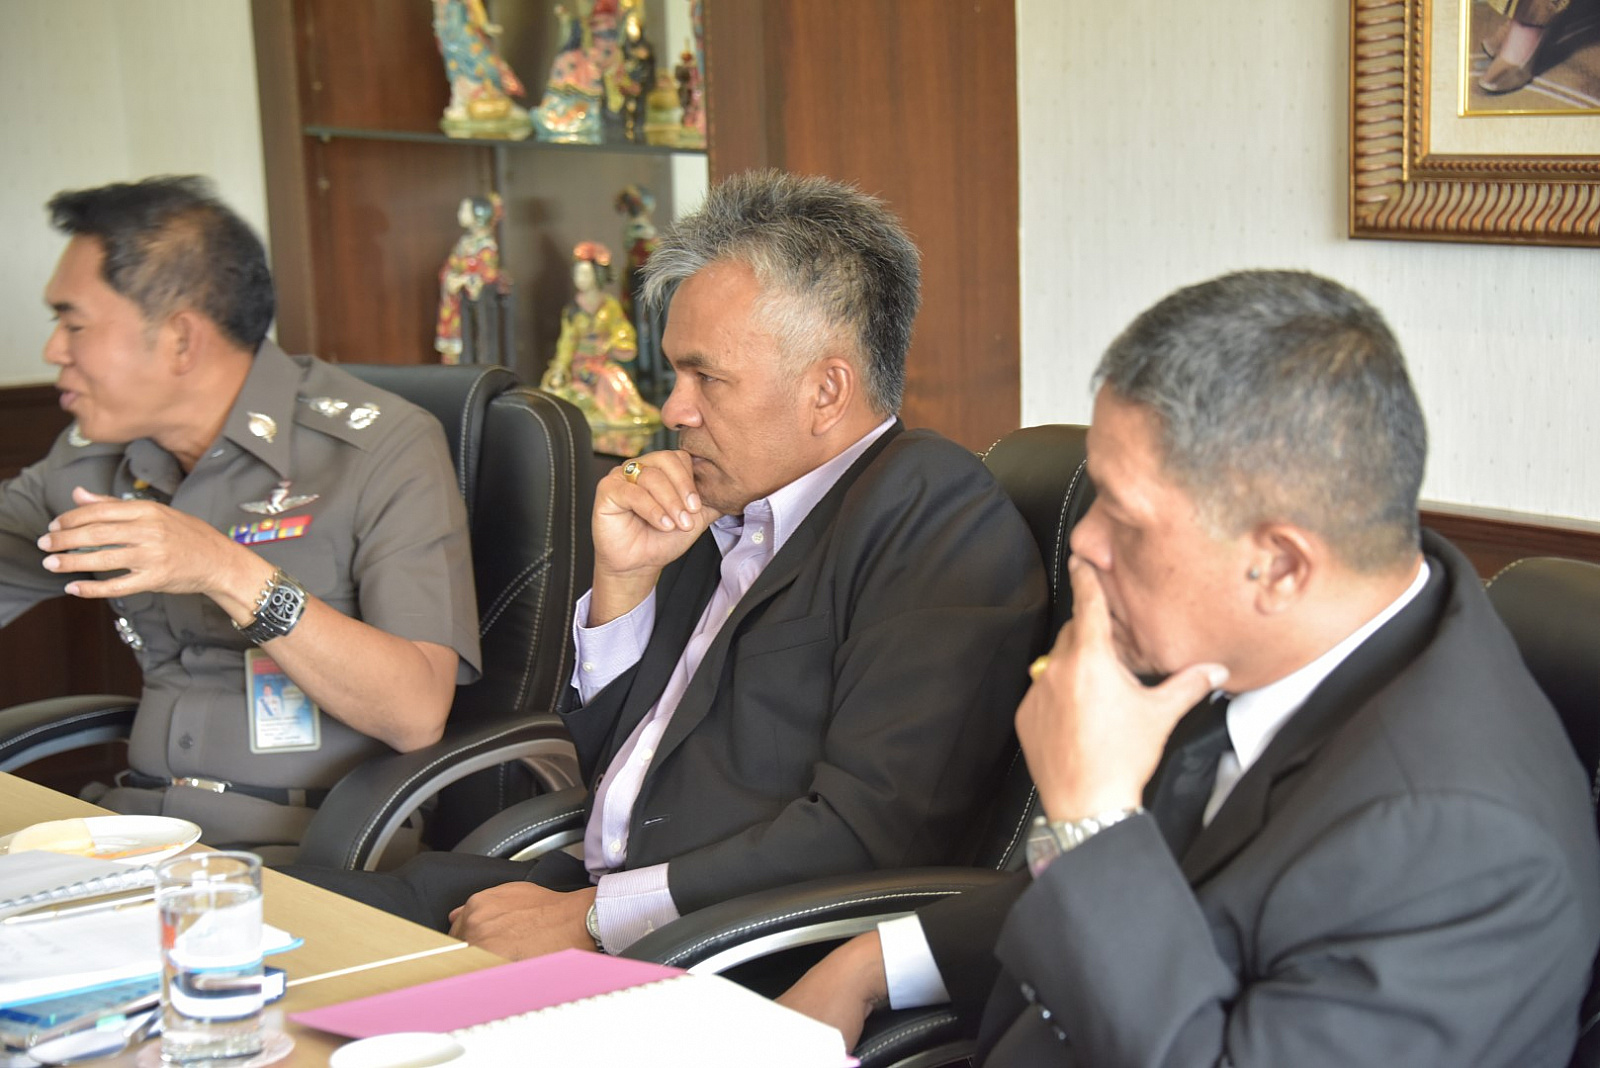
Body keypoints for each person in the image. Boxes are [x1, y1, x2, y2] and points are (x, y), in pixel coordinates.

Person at [779, 270, 1600, 1066]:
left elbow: (1124, 891)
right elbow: (1141, 889)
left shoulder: (1465, 848)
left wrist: (1089, 817)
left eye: (1126, 518)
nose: (1084, 541)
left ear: (1280, 566)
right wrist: (873, 963)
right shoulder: (1268, 641)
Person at [287, 170, 1048, 961]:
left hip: (717, 950)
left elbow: (868, 833)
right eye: (677, 375)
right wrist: (625, 583)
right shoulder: (731, 503)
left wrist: (591, 922)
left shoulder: (929, 513)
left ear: (826, 390)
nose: (673, 410)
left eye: (706, 377)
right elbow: (612, 771)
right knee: (259, 924)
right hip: (579, 890)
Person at [0, 176, 481, 862]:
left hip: (309, 853)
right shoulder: (92, 460)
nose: (54, 350)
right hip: (133, 833)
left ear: (180, 339)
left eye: (74, 324)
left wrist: (226, 570)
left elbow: (414, 713)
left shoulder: (379, 447)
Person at [538, 241, 660, 429]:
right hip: (582, 366)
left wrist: (615, 344)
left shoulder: (610, 305)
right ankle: (614, 413)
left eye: (585, 274)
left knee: (618, 376)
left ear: (598, 275)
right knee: (606, 378)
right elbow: (566, 343)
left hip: (604, 360)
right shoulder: (572, 310)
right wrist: (560, 368)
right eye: (577, 273)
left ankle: (631, 410)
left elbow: (622, 330)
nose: (580, 278)